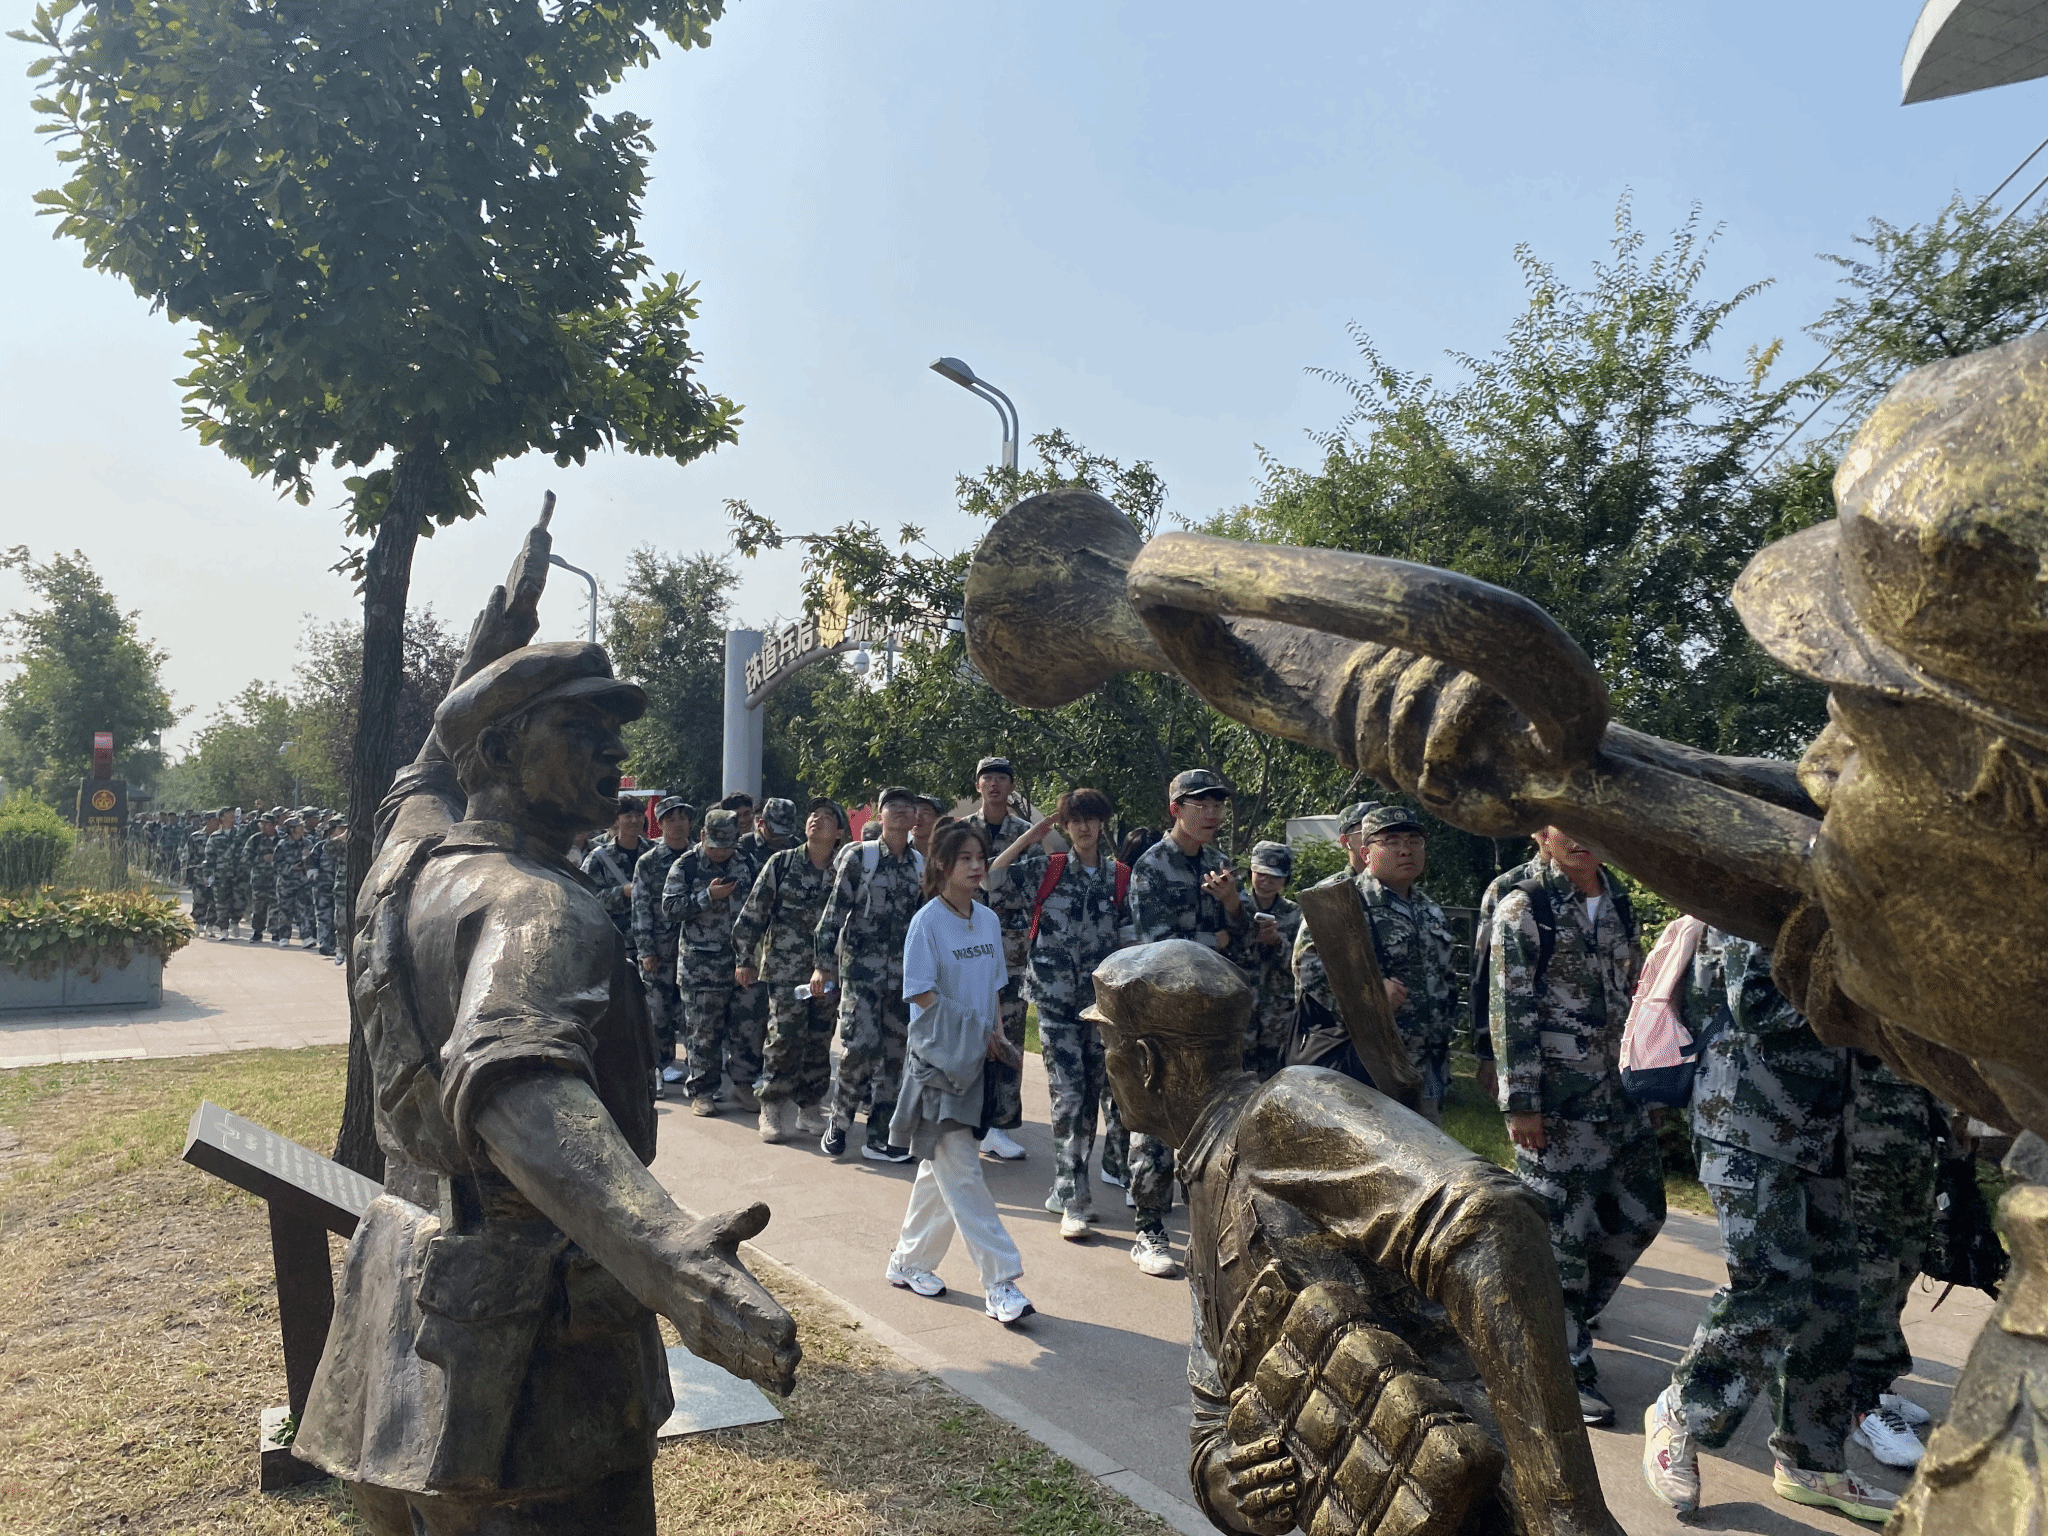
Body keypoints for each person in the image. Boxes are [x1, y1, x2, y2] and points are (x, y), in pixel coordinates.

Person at [294, 617, 799, 1534]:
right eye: (578, 728)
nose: (614, 752)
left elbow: (416, 787)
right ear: (498, 752)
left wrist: (476, 664)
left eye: (612, 731)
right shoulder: (539, 904)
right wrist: (666, 1254)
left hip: (401, 1317)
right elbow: (516, 1079)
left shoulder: (405, 869)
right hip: (535, 1359)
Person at [1087, 940, 1624, 1536]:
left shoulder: (1280, 1114)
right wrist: (1232, 1483)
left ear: (1146, 1061)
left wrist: (1562, 1508)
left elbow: (1491, 1220)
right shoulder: (1205, 1192)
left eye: (1106, 1043)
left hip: (1488, 1502)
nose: (1102, 1063)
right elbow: (1215, 1421)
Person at [1640, 932, 1894, 1524]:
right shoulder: (1766, 900)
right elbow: (1756, 1001)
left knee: (1834, 1295)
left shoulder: (1849, 909)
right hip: (1748, 1120)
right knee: (1772, 1285)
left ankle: (1811, 1460)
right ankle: (1681, 1411)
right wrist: (1876, 998)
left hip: (1822, 1132)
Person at [1489, 824, 1662, 1427]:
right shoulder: (1524, 907)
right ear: (1541, 832)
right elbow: (1509, 1010)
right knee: (1559, 1236)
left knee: (1641, 1214)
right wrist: (1522, 1103)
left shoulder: (1619, 901)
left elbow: (1637, 995)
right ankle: (1564, 1367)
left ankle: (1563, 1320)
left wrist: (1649, 1080)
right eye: (1567, 823)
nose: (1584, 836)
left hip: (1620, 1097)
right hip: (1557, 1104)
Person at [883, 821, 1033, 1326]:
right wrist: (972, 1033)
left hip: (977, 1063)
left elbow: (993, 987)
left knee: (940, 1172)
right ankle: (1001, 1282)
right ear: (942, 865)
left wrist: (996, 1040)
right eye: (965, 858)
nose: (975, 866)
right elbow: (920, 992)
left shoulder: (987, 920)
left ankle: (908, 1262)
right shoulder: (926, 923)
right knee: (964, 1172)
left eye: (980, 857)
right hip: (938, 1066)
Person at [986, 788, 1134, 1240]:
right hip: (1053, 1003)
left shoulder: (1120, 877)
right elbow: (992, 878)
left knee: (1088, 1098)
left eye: (1091, 819)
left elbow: (1130, 938)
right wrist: (1029, 837)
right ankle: (1075, 1200)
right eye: (1075, 820)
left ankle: (1064, 1185)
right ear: (1065, 827)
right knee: (1068, 1097)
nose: (1084, 827)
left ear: (1102, 824)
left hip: (1099, 1008)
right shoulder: (1048, 870)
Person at [1125, 766, 1247, 1278]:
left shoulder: (1220, 866)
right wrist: (1214, 940)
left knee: (1211, 1121)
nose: (1213, 813)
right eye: (1202, 804)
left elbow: (1242, 937)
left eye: (1218, 805)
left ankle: (1205, 1227)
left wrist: (1232, 905)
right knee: (1157, 1119)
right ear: (1176, 810)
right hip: (1161, 1014)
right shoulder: (1151, 866)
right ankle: (1149, 1227)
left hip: (1212, 1016)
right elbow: (1155, 944)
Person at [1292, 806, 1460, 1120]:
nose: (1406, 850)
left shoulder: (1430, 910)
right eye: (1391, 841)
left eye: (1414, 841)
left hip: (1426, 1067)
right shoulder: (1340, 903)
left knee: (1425, 1148)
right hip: (1366, 1070)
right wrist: (1369, 995)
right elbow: (1309, 970)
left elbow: (1447, 982)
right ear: (1366, 852)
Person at [812, 785, 924, 1162]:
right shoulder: (862, 857)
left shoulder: (920, 865)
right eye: (893, 805)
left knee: (895, 1055)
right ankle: (839, 1122)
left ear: (915, 817)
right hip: (861, 975)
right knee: (859, 1047)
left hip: (903, 979)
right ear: (880, 813)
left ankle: (880, 1135)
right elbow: (833, 915)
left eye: (908, 805)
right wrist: (822, 965)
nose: (901, 811)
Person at [1845, 1053, 1942, 1470]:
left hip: (1916, 1118)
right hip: (1865, 1123)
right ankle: (1861, 1404)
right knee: (1872, 1269)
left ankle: (1877, 1385)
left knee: (1905, 1261)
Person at [734, 798, 847, 1143]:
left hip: (828, 971)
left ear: (839, 832)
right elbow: (753, 913)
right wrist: (744, 959)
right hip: (785, 969)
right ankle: (771, 1105)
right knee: (783, 1037)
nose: (816, 819)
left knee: (819, 1039)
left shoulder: (845, 869)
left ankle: (809, 1106)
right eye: (813, 814)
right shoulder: (782, 863)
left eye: (826, 817)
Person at [661, 808, 762, 1117]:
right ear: (703, 836)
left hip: (742, 962)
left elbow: (761, 906)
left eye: (727, 846)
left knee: (747, 1028)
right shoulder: (686, 866)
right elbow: (670, 908)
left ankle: (743, 1084)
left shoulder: (747, 863)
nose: (721, 853)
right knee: (703, 1032)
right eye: (715, 846)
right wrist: (707, 896)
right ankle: (703, 1091)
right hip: (701, 966)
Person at [962, 756, 1035, 1163]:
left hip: (1011, 952)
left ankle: (999, 1127)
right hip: (965, 945)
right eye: (987, 778)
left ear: (1011, 786)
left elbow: (1034, 886)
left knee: (1008, 1038)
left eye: (1002, 778)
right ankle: (964, 1120)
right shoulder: (961, 832)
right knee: (965, 1033)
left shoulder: (1024, 834)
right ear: (977, 786)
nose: (994, 784)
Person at [631, 796, 694, 1089]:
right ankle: (660, 1066)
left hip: (696, 949)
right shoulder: (649, 862)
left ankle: (698, 1068)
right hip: (659, 948)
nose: (678, 824)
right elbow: (640, 907)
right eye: (671, 819)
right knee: (657, 1012)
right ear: (660, 824)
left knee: (694, 1012)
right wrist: (646, 949)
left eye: (682, 817)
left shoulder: (700, 856)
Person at [1231, 840, 1301, 1080]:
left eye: (1275, 877)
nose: (1266, 881)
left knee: (1277, 1081)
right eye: (1261, 874)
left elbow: (1302, 964)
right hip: (1240, 1013)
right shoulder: (1236, 908)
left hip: (1277, 1018)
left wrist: (1278, 943)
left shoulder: (1295, 914)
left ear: (1285, 879)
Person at [582, 803, 646, 942]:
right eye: (628, 816)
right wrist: (622, 892)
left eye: (639, 815)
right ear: (616, 820)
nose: (634, 820)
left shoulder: (655, 853)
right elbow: (586, 900)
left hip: (655, 942)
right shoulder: (598, 858)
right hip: (616, 941)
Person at [273, 814, 317, 946]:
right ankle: (284, 936)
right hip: (286, 883)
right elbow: (277, 864)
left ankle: (306, 936)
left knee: (305, 910)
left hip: (304, 883)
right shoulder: (282, 844)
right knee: (285, 910)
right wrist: (292, 868)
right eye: (299, 826)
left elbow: (315, 861)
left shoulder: (308, 843)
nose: (302, 828)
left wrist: (308, 858)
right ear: (292, 829)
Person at [306, 817, 346, 956]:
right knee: (324, 917)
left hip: (342, 890)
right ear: (332, 830)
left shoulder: (348, 846)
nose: (344, 832)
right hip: (323, 888)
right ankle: (326, 945)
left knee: (341, 919)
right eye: (341, 828)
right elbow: (311, 861)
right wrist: (313, 873)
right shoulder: (321, 846)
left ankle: (342, 946)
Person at [205, 808, 244, 940]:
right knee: (221, 903)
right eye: (229, 815)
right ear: (222, 818)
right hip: (221, 875)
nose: (233, 817)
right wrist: (207, 874)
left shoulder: (240, 834)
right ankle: (224, 929)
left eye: (233, 815)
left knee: (239, 902)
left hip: (238, 874)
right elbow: (209, 857)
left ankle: (235, 921)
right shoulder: (215, 837)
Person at [243, 810, 280, 941]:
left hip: (276, 879)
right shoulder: (255, 839)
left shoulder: (281, 840)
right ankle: (258, 931)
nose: (264, 827)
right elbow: (245, 858)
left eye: (267, 824)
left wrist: (276, 859)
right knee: (259, 907)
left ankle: (275, 931)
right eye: (262, 824)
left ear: (274, 825)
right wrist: (261, 858)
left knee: (276, 906)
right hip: (260, 879)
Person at [740, 797, 797, 862]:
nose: (780, 839)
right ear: (761, 823)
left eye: (785, 834)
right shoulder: (745, 845)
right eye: (775, 835)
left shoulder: (795, 845)